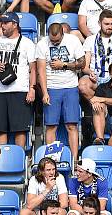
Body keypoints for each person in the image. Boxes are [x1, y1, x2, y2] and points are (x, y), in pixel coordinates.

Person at [0, 13, 37, 147]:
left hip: (19, 89)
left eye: (6, 23)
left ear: (15, 25)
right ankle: (2, 161)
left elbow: (33, 69)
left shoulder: (27, 43)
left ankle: (18, 159)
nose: (2, 26)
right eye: (1, 23)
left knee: (20, 128)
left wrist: (32, 89)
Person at [37, 22, 84, 162]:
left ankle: (74, 160)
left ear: (63, 34)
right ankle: (50, 160)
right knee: (51, 125)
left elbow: (82, 63)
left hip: (70, 87)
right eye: (52, 40)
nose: (54, 43)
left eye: (57, 40)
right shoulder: (42, 44)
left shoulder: (73, 40)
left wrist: (63, 64)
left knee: (72, 125)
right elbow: (41, 70)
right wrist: (45, 92)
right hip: (52, 87)